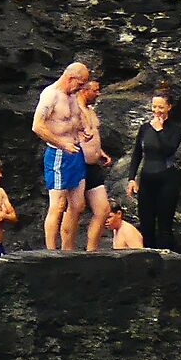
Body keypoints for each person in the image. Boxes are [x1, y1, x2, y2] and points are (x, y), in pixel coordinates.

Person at [34, 62, 91, 250]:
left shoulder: (73, 95)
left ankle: (68, 247)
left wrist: (83, 130)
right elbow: (38, 126)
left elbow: (73, 119)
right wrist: (62, 143)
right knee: (58, 205)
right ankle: (51, 250)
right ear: (70, 78)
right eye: (81, 83)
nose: (82, 88)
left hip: (75, 151)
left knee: (78, 204)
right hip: (58, 153)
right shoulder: (51, 95)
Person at [124, 90, 181, 251]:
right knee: (146, 225)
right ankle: (148, 261)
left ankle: (167, 260)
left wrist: (159, 130)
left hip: (167, 179)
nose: (157, 110)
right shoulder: (145, 128)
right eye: (154, 106)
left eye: (161, 107)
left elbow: (169, 150)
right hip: (147, 179)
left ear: (169, 108)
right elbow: (137, 153)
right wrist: (131, 178)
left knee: (164, 226)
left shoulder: (175, 129)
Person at [76, 74, 116, 253]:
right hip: (78, 163)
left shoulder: (90, 110)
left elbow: (92, 135)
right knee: (75, 208)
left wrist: (100, 152)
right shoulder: (74, 109)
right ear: (84, 90)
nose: (98, 93)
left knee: (103, 208)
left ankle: (92, 250)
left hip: (93, 164)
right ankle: (64, 249)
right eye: (95, 90)